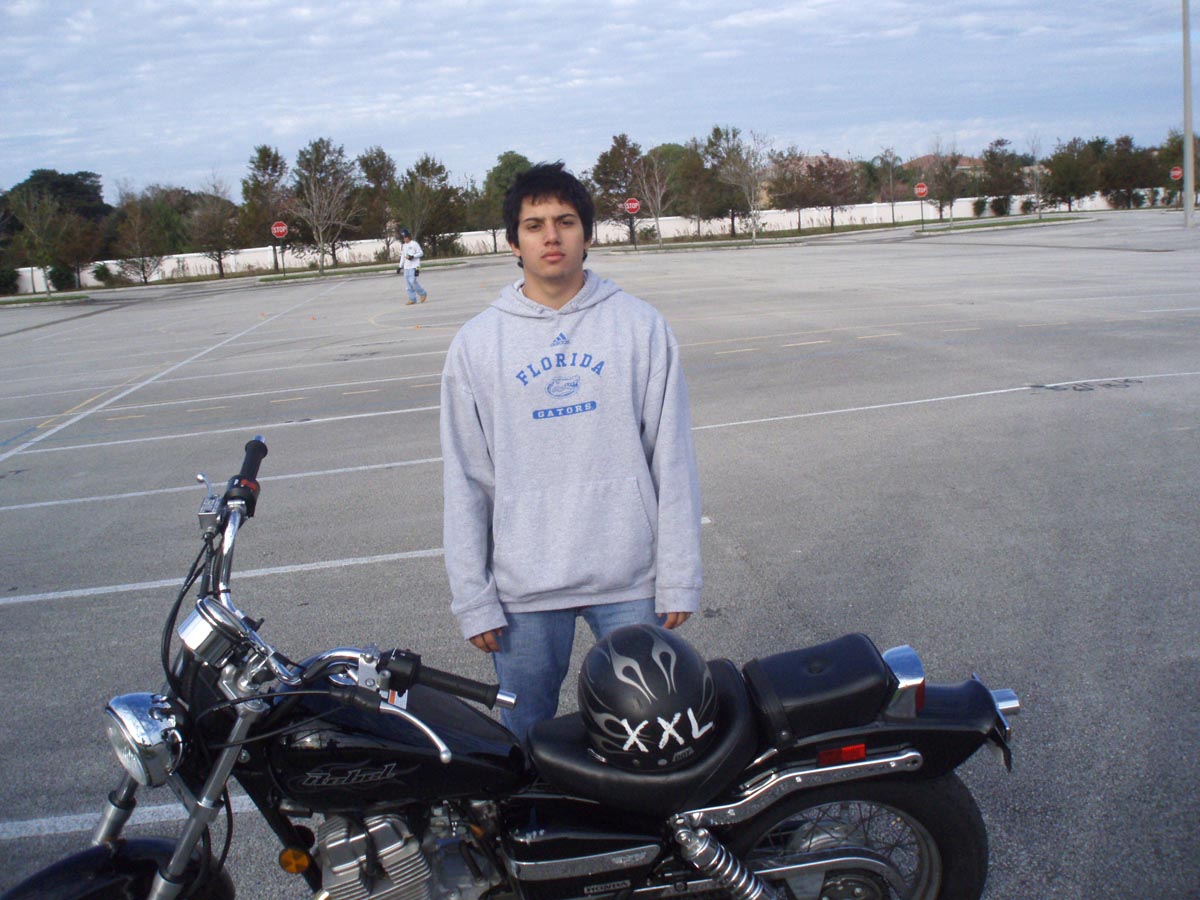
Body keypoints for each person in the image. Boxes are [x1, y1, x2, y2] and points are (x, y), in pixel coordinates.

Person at [439, 162, 703, 741]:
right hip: (524, 590)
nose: (551, 237)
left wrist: (678, 574)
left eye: (565, 221)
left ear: (588, 233)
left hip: (630, 579)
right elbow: (466, 478)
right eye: (534, 225)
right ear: (514, 243)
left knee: (652, 735)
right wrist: (473, 598)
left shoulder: (640, 327)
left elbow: (672, 459)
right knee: (524, 742)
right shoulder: (477, 344)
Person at [399, 228, 428, 304]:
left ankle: (423, 293)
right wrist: (400, 266)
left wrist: (413, 256)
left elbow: (421, 253)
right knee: (408, 284)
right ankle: (412, 299)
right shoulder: (403, 246)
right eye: (403, 237)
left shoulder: (414, 244)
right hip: (406, 267)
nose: (404, 239)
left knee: (413, 281)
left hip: (415, 267)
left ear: (408, 237)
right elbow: (402, 256)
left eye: (405, 237)